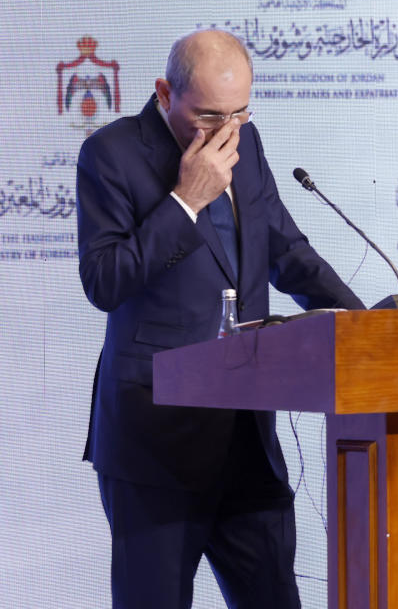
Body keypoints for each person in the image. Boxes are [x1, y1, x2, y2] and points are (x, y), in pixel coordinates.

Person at [76, 29, 364, 608]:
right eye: (207, 117)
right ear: (164, 92)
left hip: (246, 440)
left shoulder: (247, 144)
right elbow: (105, 281)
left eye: (239, 113)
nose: (226, 131)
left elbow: (287, 252)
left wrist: (368, 329)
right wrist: (186, 201)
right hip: (155, 443)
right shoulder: (111, 154)